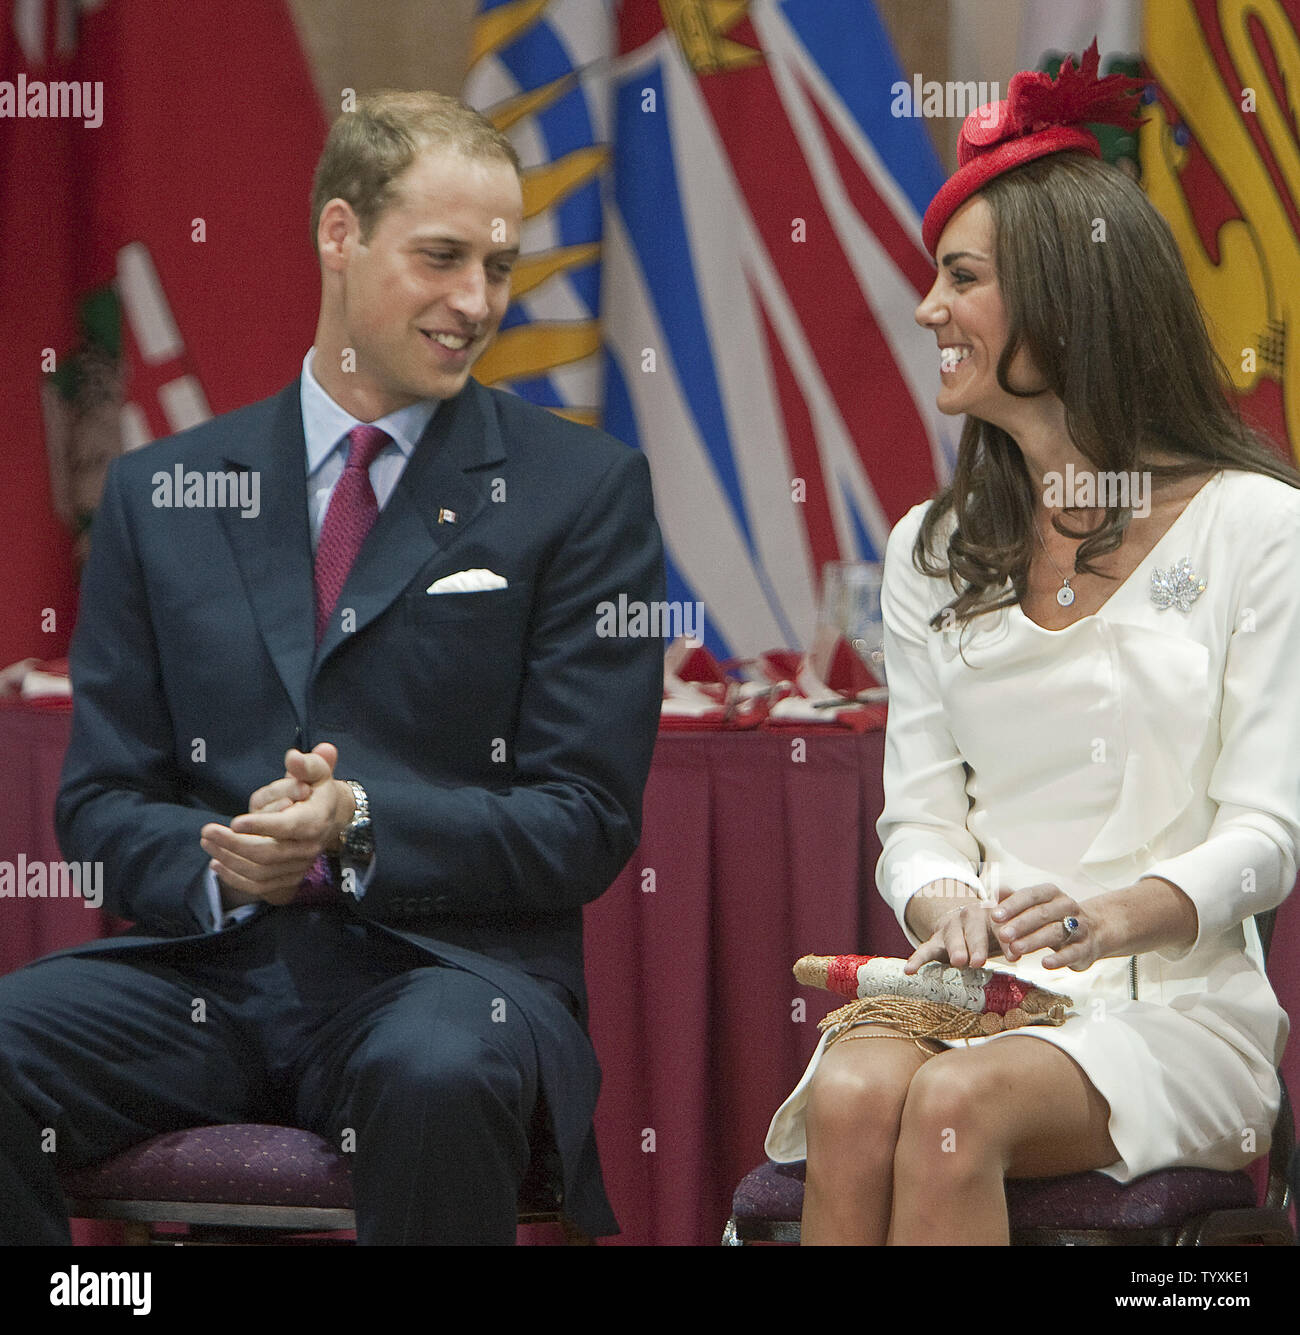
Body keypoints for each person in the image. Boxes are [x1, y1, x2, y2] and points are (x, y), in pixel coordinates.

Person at [0, 91, 664, 1245]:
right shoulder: (163, 494)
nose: (476, 303)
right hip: (207, 973)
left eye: (499, 269)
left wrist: (357, 823)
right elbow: (102, 804)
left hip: (446, 976)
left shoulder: (581, 491)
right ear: (340, 234)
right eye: (442, 258)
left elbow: (584, 819)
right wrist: (225, 864)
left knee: (435, 1074)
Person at [764, 45, 1300, 1245]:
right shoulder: (927, 548)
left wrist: (1109, 918)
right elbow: (918, 821)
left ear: (1064, 300)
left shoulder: (1258, 525)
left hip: (1171, 1005)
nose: (925, 311)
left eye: (959, 278)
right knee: (852, 1092)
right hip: (979, 995)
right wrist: (942, 902)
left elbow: (1266, 835)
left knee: (951, 1109)